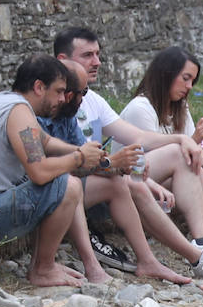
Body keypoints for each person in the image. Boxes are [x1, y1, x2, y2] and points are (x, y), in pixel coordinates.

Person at [53, 27, 203, 282]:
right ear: (62, 61)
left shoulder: (91, 99)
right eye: (88, 55)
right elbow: (47, 157)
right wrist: (117, 165)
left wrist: (185, 143)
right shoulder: (54, 103)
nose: (97, 62)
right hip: (80, 183)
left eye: (98, 54)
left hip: (105, 177)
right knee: (170, 164)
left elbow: (134, 142)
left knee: (197, 162)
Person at [0, 53, 103, 288]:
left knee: (62, 180)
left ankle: (45, 263)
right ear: (39, 87)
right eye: (59, 91)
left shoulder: (9, 103)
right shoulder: (18, 111)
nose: (62, 99)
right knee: (68, 186)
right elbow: (39, 170)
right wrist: (79, 158)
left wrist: (84, 152)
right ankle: (43, 268)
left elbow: (46, 143)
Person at [38, 60, 192, 284]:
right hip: (31, 191)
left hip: (63, 184)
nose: (81, 99)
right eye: (78, 93)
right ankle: (90, 265)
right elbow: (52, 167)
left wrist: (117, 165)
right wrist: (111, 163)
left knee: (118, 182)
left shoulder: (68, 115)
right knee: (72, 185)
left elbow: (86, 159)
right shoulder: (35, 115)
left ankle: (151, 260)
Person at [118, 46, 203, 276]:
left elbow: (192, 150)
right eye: (185, 79)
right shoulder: (141, 108)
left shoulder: (179, 107)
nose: (189, 87)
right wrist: (197, 150)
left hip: (172, 175)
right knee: (190, 162)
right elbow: (159, 157)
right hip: (137, 180)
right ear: (166, 74)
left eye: (193, 81)